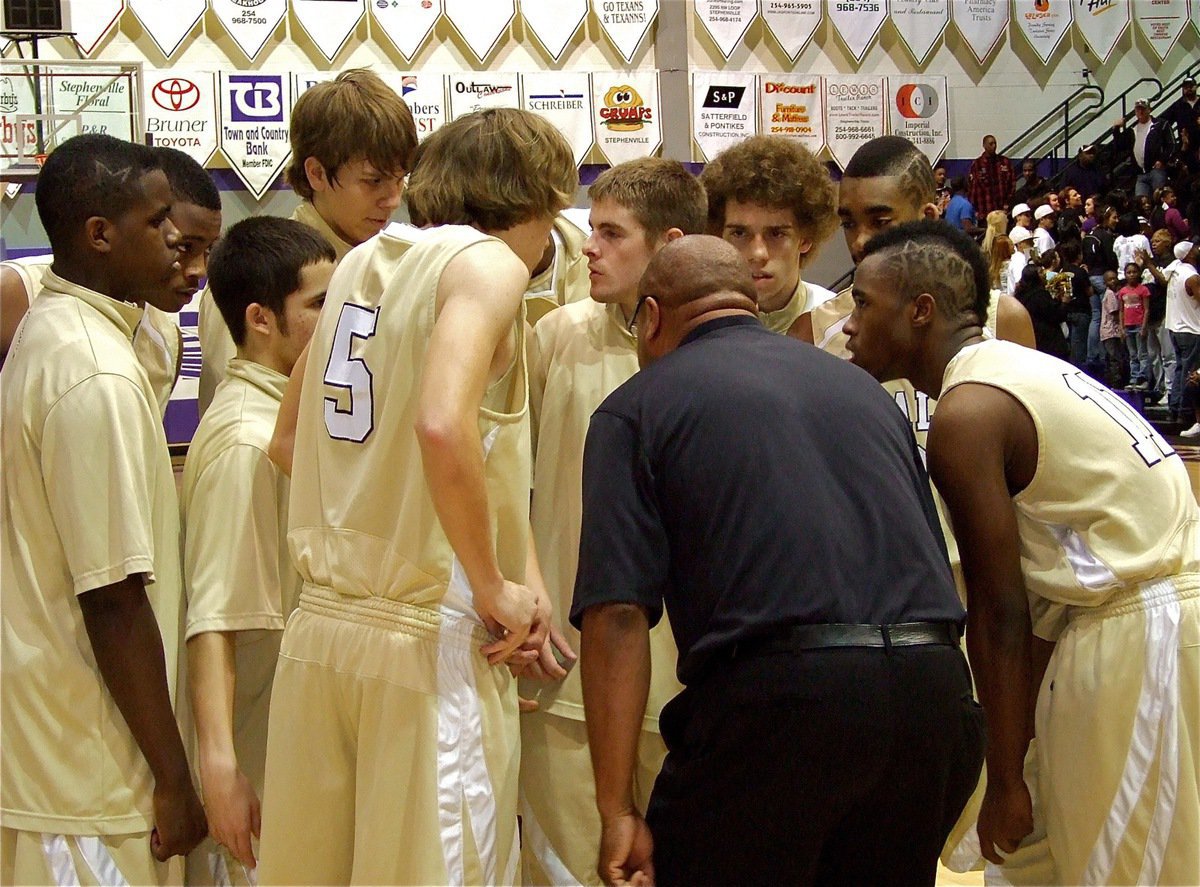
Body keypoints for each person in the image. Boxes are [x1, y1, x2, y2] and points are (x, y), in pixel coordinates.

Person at [573, 234, 983, 886]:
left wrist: (616, 806)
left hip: (783, 706)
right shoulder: (867, 395)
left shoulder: (634, 409)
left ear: (650, 317)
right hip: (933, 699)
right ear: (751, 301)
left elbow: (618, 615)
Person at [255, 108, 575, 885]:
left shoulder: (364, 262)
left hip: (321, 635)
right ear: (534, 203)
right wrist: (490, 585)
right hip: (423, 645)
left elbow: (287, 441)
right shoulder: (490, 265)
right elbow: (441, 424)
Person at [845, 218, 1199, 886]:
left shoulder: (967, 412)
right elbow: (1034, 609)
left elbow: (1001, 613)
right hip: (1110, 626)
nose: (850, 323)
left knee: (1131, 869)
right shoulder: (1015, 371)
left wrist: (1004, 777)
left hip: (1146, 622)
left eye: (864, 302)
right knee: (1032, 862)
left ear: (920, 311)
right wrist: (1020, 757)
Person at [0, 134, 207, 885]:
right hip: (91, 771)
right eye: (159, 225)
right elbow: (112, 596)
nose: (176, 242)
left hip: (62, 751)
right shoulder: (93, 373)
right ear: (99, 235)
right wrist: (174, 775)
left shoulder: (60, 330)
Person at [519, 158, 706, 887]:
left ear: (670, 243)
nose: (587, 246)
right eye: (589, 229)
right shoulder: (555, 335)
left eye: (609, 232)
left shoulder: (717, 351)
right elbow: (511, 485)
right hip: (570, 678)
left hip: (691, 683)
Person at [181, 218, 335, 884]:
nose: (338, 321)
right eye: (319, 306)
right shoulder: (247, 441)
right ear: (260, 318)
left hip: (295, 746)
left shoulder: (287, 415)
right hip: (260, 761)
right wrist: (221, 769)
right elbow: (212, 615)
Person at [197, 68, 417, 413]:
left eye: (400, 179)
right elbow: (241, 416)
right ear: (316, 173)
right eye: (373, 181)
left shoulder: (400, 268)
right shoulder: (257, 273)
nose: (392, 199)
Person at [0, 146, 222, 414]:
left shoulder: (167, 342)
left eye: (208, 250)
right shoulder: (18, 289)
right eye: (186, 246)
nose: (199, 270)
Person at [698, 134, 839, 341]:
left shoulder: (837, 326)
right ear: (718, 234)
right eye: (739, 233)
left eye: (776, 234)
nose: (757, 253)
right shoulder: (698, 326)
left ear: (806, 238)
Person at [1166, 241, 1200, 430]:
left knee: (1180, 370)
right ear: (1188, 254)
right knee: (1191, 373)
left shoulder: (1175, 271)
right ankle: (1185, 412)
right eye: (1194, 248)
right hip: (1191, 328)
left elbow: (1162, 278)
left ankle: (1175, 407)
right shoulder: (1192, 277)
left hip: (1174, 327)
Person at [1112, 98, 1175, 198]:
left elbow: (1171, 144)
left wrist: (1162, 160)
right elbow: (1119, 146)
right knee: (1140, 201)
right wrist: (1116, 129)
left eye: (1143, 109)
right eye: (1138, 109)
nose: (1140, 112)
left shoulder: (1160, 124)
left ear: (1149, 110)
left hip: (1156, 170)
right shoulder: (1132, 129)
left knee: (1160, 198)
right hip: (1140, 173)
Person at [1015, 264, 1069, 360]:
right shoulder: (1039, 295)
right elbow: (1056, 315)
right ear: (1034, 276)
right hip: (1049, 342)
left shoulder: (1020, 295)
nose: (1044, 274)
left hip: (1034, 339)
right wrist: (1064, 303)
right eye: (1040, 272)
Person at [1119, 261, 1152, 390]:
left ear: (1138, 274)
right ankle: (1134, 378)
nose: (1131, 275)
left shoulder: (1143, 290)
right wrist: (1121, 328)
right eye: (1129, 272)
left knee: (1142, 353)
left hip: (1139, 325)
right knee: (1132, 354)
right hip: (1128, 326)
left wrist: (1144, 326)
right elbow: (1121, 310)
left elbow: (1147, 309)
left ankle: (1143, 378)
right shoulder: (1122, 291)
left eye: (1134, 272)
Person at [967, 133, 1015, 217]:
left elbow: (1012, 183)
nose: (994, 146)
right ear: (984, 145)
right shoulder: (977, 164)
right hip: (985, 209)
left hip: (1002, 209)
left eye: (995, 143)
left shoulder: (1005, 162)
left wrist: (1008, 202)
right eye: (991, 144)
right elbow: (973, 188)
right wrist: (974, 209)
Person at [1099, 270, 1129, 388]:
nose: (1113, 281)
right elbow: (1115, 312)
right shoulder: (1110, 294)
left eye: (1114, 278)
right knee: (1115, 358)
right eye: (1109, 279)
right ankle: (1116, 383)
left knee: (1113, 357)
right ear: (1105, 282)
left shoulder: (1112, 293)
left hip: (1109, 331)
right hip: (1111, 331)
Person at [1163, 76, 1198, 165]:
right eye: (1186, 87)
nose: (1189, 88)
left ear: (1196, 86)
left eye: (1191, 86)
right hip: (1185, 146)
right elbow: (1164, 121)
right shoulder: (1178, 106)